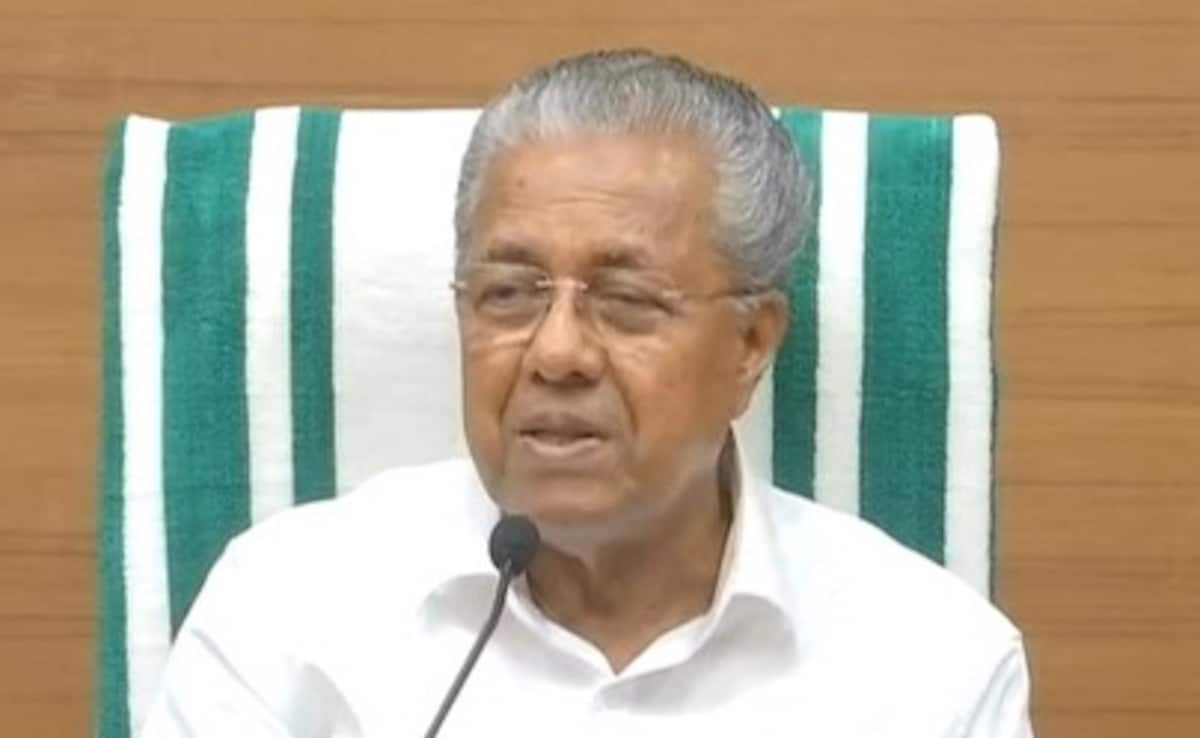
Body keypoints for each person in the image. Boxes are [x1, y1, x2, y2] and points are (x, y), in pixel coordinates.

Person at [141, 49, 1034, 737]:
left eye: (627, 301)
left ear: (751, 345)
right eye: (508, 295)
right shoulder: (286, 615)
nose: (557, 352)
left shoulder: (930, 666)